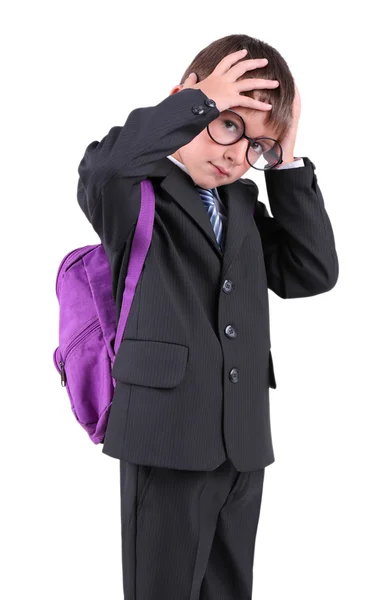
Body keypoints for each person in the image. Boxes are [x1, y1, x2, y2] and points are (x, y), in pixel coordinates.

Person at [77, 34, 338, 600]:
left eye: (257, 146)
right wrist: (196, 102)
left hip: (242, 442)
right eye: (227, 126)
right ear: (188, 102)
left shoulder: (243, 203)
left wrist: (286, 165)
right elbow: (107, 165)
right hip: (167, 437)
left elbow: (310, 272)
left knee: (228, 588)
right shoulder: (136, 193)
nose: (235, 154)